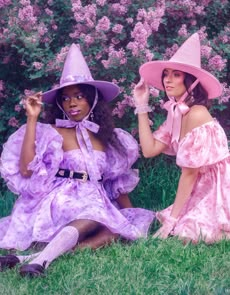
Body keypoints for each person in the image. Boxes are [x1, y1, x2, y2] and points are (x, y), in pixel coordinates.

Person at [0, 44, 155, 277]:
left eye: (79, 97)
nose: (71, 103)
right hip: (62, 200)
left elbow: (115, 183)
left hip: (96, 201)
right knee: (95, 214)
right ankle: (42, 262)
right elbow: (26, 169)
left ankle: (27, 259)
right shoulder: (54, 132)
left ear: (92, 101)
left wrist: (129, 217)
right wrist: (32, 119)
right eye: (66, 98)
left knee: (116, 229)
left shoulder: (106, 138)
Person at [133, 32, 230, 243]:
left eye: (176, 74)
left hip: (222, 186)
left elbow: (189, 174)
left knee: (189, 232)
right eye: (166, 74)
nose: (168, 80)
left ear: (191, 81)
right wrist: (141, 105)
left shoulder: (197, 113)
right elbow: (149, 149)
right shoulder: (177, 112)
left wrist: (172, 219)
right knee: (184, 229)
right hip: (201, 186)